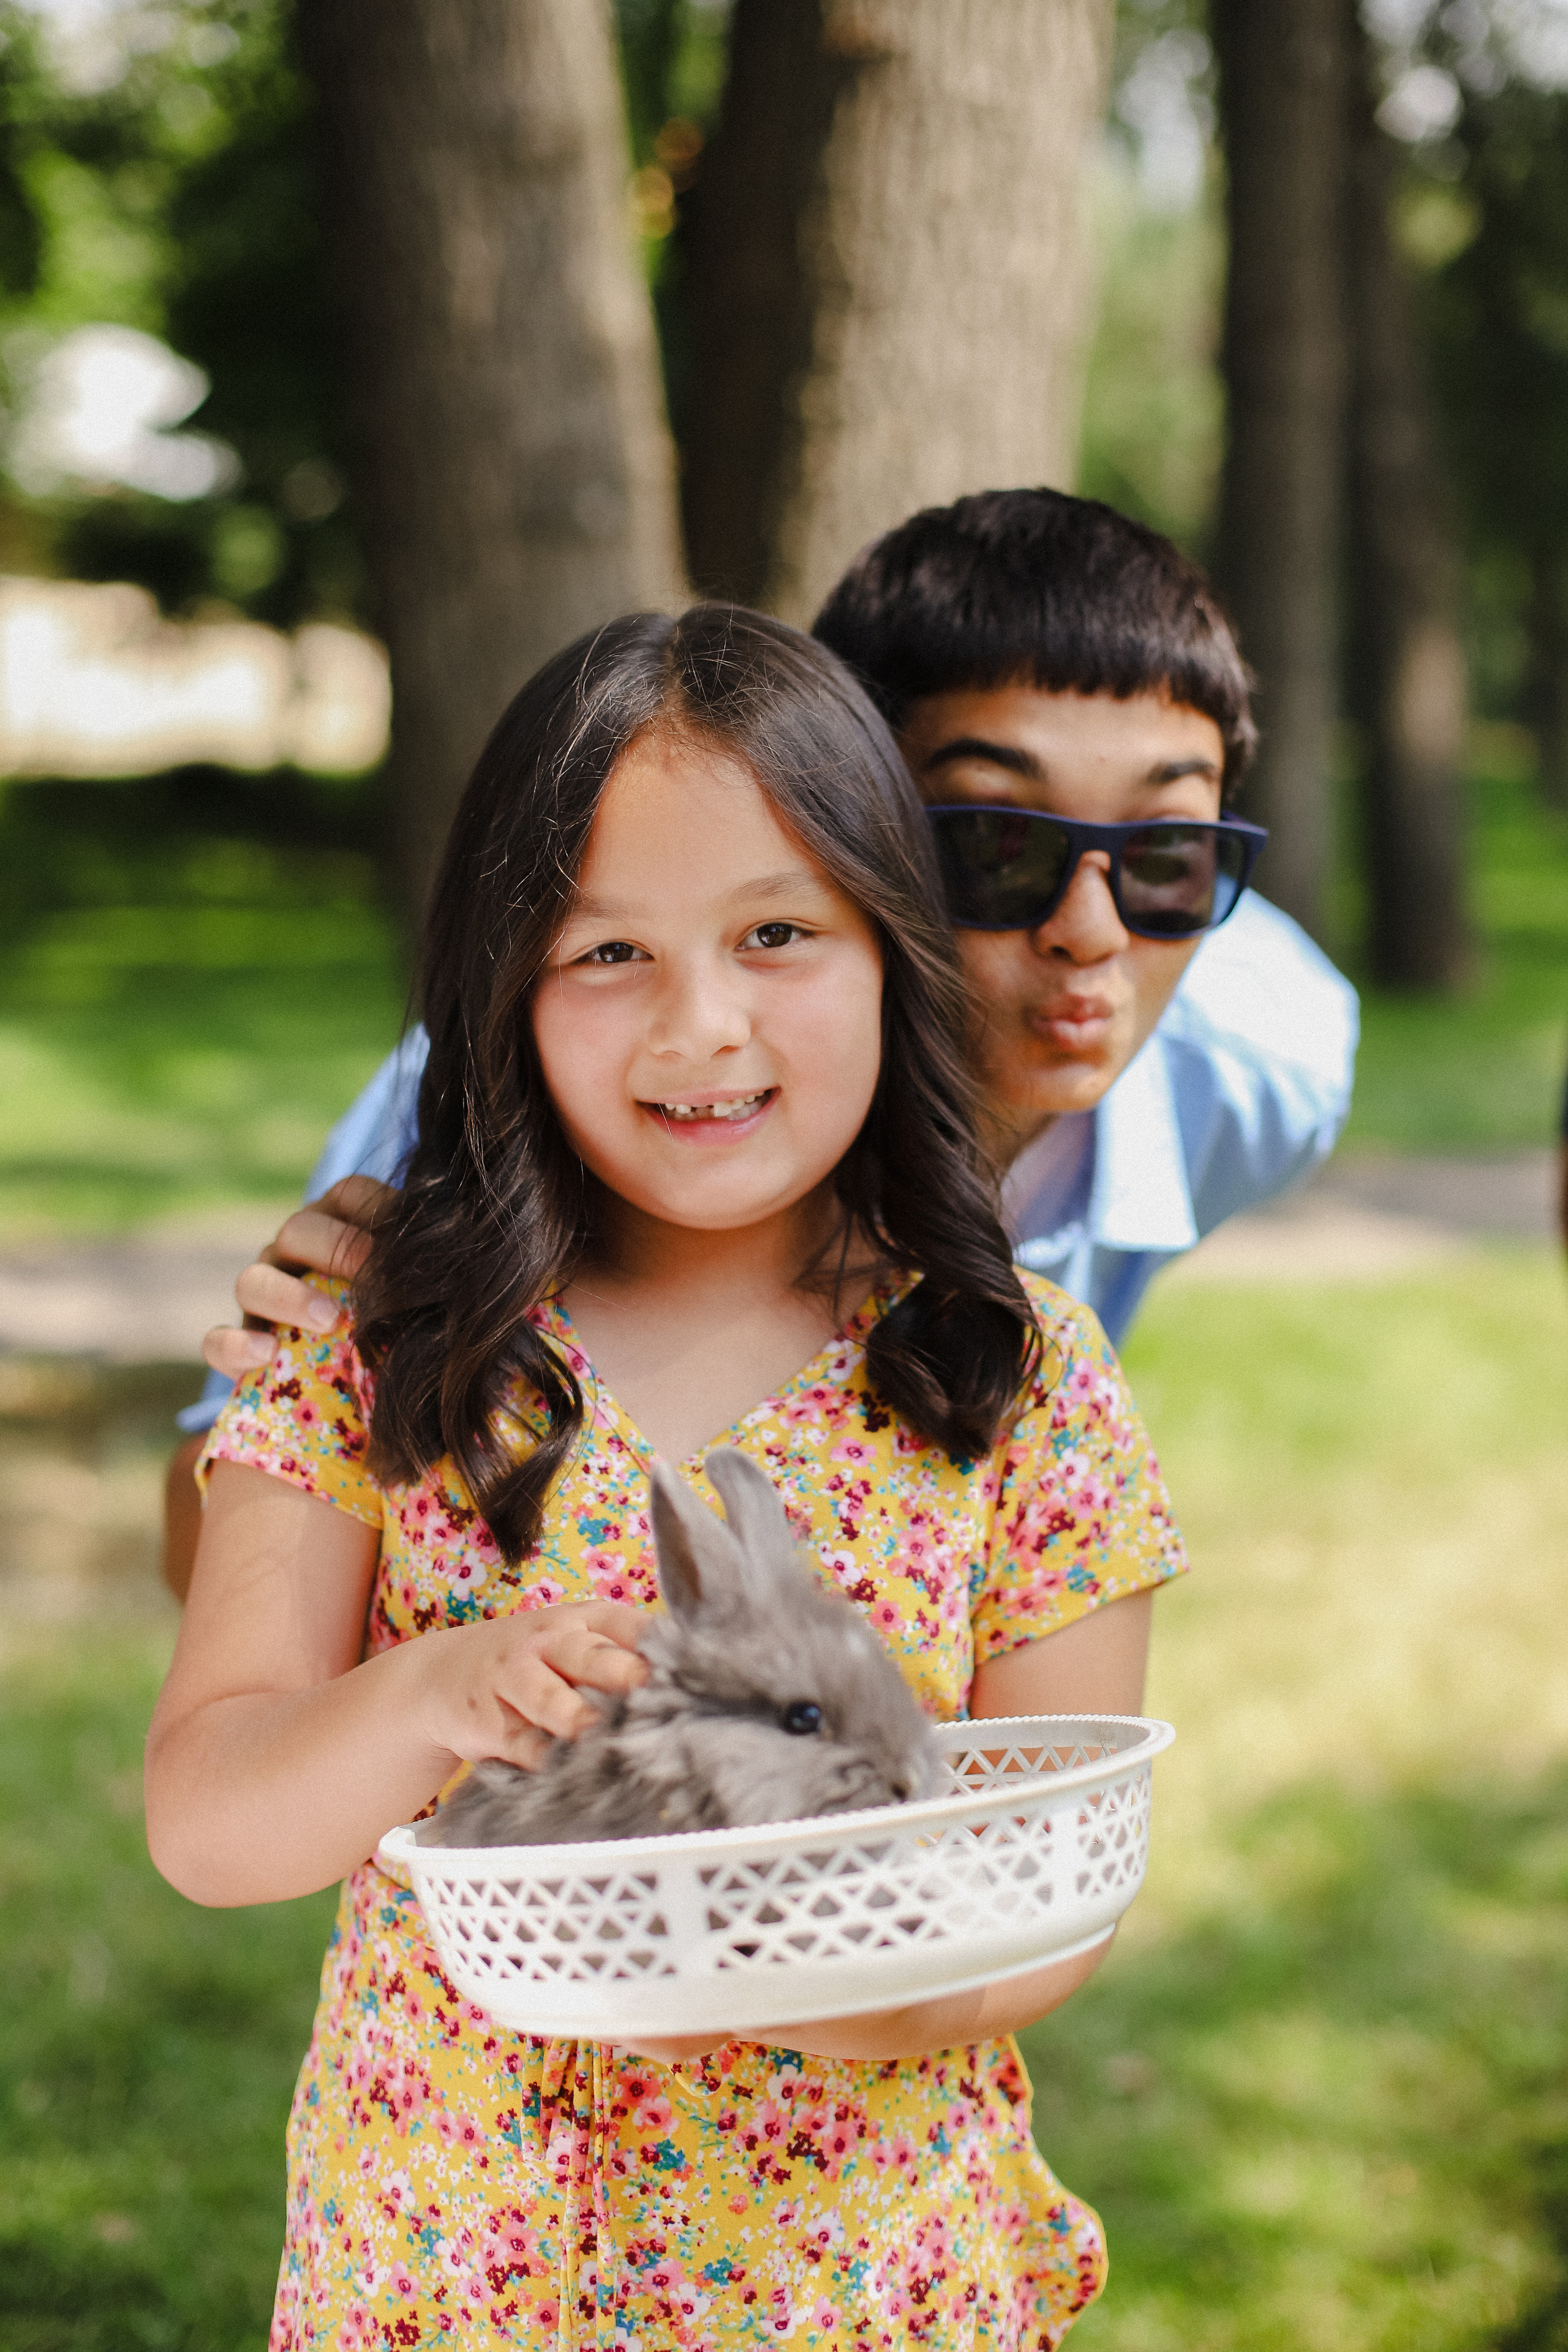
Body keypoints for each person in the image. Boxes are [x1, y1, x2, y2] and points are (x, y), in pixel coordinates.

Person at [146, 606, 1187, 2346]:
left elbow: (1052, 1888)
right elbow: (204, 1818)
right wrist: (434, 1694)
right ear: (503, 985)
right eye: (608, 951)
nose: (702, 1025)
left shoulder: (1019, 1378)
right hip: (448, 2291)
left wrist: (808, 1986)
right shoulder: (376, 1343)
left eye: (777, 933)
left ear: (890, 948)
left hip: (862, 2289)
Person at [162, 489, 1359, 1596]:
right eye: (995, 843)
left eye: (1167, 856)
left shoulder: (1263, 1072)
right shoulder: (535, 1081)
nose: (1089, 933)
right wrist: (300, 1388)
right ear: (842, 824)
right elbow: (215, 1564)